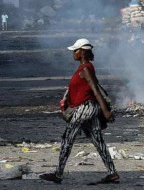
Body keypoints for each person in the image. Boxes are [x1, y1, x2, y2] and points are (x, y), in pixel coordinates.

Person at [40, 39, 119, 185]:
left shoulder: (85, 69)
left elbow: (95, 91)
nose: (73, 53)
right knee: (98, 141)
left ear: (82, 52)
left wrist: (106, 111)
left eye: (75, 50)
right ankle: (112, 173)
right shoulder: (86, 67)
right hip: (90, 109)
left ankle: (58, 174)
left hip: (85, 108)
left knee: (67, 139)